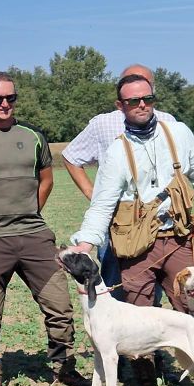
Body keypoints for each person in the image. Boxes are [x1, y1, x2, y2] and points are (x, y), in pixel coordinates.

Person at [66, 74, 194, 386]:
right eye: (133, 101)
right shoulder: (115, 152)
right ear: (120, 106)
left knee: (192, 305)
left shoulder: (178, 133)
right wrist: (86, 242)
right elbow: (103, 204)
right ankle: (146, 385)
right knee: (139, 312)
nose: (142, 105)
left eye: (147, 99)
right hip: (135, 246)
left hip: (179, 239)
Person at [0, 71, 88, 386]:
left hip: (35, 237)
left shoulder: (34, 136)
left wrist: (30, 212)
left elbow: (46, 180)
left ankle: (64, 366)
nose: (4, 104)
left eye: (10, 98)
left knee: (60, 307)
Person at [62, 64, 176, 297]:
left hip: (160, 224)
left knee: (154, 292)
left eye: (145, 88)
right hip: (118, 225)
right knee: (117, 288)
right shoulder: (103, 123)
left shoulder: (168, 122)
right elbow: (71, 156)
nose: (139, 98)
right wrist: (93, 195)